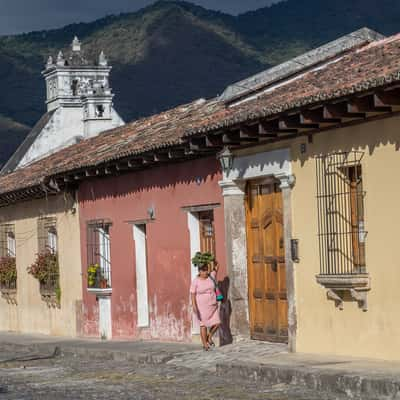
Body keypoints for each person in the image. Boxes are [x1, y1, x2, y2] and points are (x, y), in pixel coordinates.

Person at [190, 263, 221, 351]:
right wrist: (194, 306)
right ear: (199, 271)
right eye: (203, 270)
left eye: (206, 269)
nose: (205, 272)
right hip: (201, 307)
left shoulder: (211, 276)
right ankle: (205, 344)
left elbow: (217, 266)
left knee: (217, 323)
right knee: (203, 325)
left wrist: (212, 259)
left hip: (213, 305)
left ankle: (209, 337)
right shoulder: (196, 281)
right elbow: (192, 294)